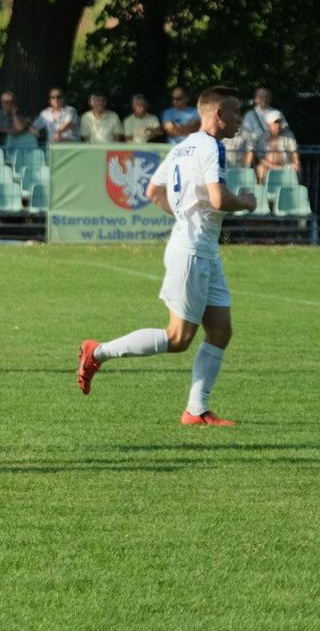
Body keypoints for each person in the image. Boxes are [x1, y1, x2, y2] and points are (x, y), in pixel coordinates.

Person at [77, 86, 257, 425]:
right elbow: (218, 200)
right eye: (235, 113)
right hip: (192, 252)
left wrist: (185, 217)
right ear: (218, 114)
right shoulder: (210, 147)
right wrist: (246, 202)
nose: (239, 120)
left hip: (201, 248)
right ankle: (97, 352)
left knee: (220, 330)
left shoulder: (182, 147)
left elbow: (152, 191)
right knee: (178, 338)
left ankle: (196, 410)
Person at [254, 109, 301, 182]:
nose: (278, 126)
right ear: (269, 125)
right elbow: (261, 158)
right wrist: (273, 167)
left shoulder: (289, 135)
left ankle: (297, 190)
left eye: (279, 123)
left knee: (297, 167)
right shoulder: (262, 137)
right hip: (268, 166)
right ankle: (262, 191)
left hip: (286, 165)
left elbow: (294, 151)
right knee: (260, 169)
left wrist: (296, 162)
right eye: (275, 123)